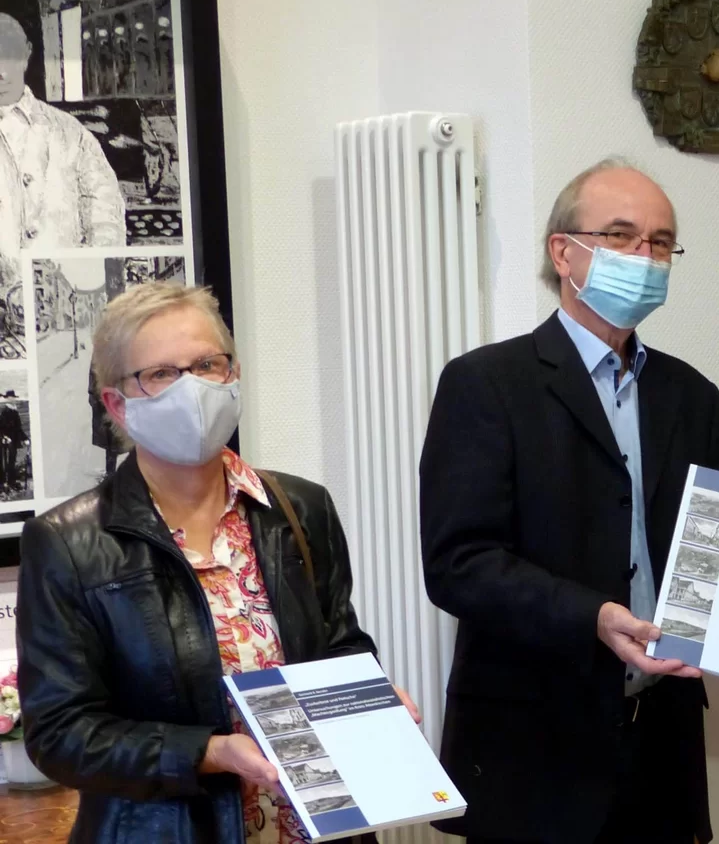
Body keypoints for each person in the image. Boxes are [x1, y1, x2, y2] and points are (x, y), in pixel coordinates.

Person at [419, 157, 719, 844]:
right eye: (620, 235)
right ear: (564, 253)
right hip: (532, 755)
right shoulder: (486, 385)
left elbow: (702, 556)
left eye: (660, 243)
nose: (645, 257)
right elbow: (459, 565)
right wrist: (594, 617)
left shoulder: (691, 396)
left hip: (660, 750)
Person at [16, 282, 420, 844]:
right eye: (161, 374)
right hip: (169, 830)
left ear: (233, 374)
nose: (193, 388)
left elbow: (339, 645)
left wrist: (369, 699)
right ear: (116, 404)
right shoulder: (68, 542)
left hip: (317, 824)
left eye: (207, 364)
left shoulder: (299, 508)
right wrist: (208, 752)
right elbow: (61, 735)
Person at [0, 13, 124, 285]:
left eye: (9, 56)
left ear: (27, 53)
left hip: (64, 293)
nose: (2, 71)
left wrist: (87, 278)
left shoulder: (69, 132)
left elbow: (105, 214)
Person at [0, 388, 25, 493]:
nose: (12, 399)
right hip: (6, 442)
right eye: (10, 397)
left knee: (12, 462)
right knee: (5, 463)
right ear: (7, 398)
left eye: (13, 397)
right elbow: (1, 427)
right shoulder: (5, 411)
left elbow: (18, 428)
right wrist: (4, 437)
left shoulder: (14, 411)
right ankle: (4, 483)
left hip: (13, 441)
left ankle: (11, 481)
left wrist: (25, 438)